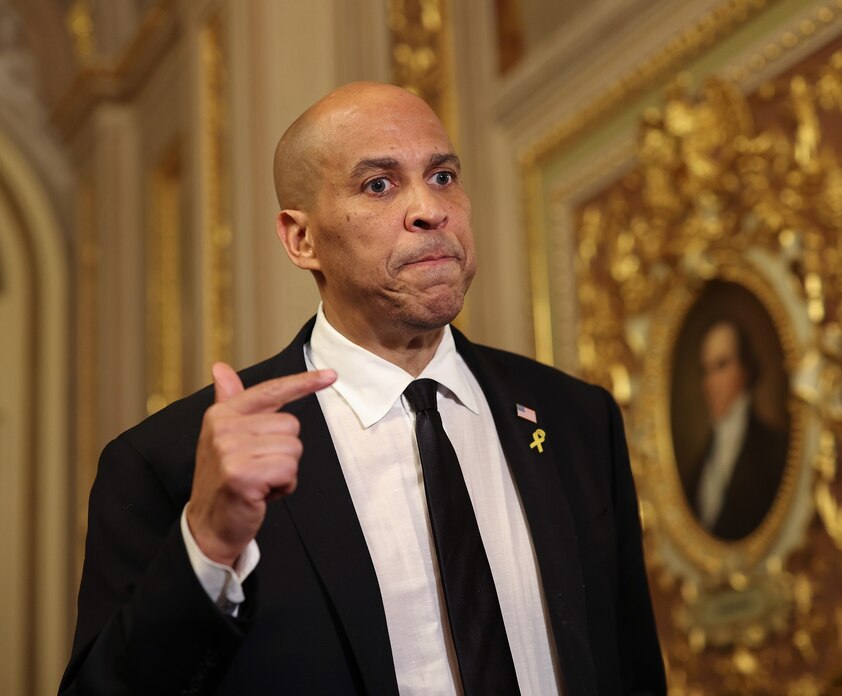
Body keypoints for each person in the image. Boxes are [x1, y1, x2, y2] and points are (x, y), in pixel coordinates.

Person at [60, 82, 666, 695]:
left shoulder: (576, 419)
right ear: (302, 240)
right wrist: (210, 546)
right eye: (379, 184)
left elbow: (632, 667)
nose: (430, 209)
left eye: (444, 176)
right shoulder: (169, 461)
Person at [682, 319, 787, 541]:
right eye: (706, 370)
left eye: (721, 365)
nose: (711, 382)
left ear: (745, 368)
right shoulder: (701, 461)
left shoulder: (774, 450)